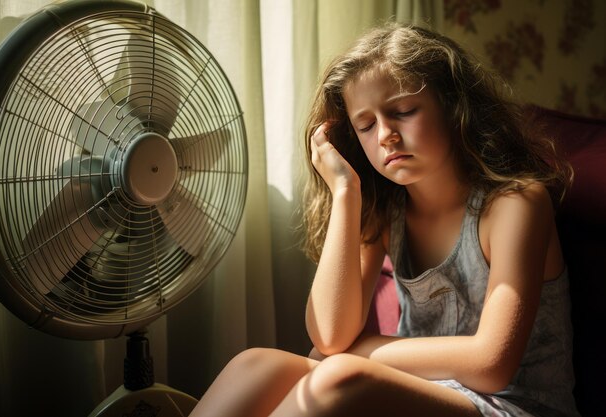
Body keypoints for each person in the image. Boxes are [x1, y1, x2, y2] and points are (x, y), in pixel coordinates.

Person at [189, 23, 580, 417]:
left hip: (516, 406)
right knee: (255, 365)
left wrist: (360, 351)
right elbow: (328, 335)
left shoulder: (517, 204)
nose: (386, 135)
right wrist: (345, 192)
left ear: (453, 106)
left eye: (404, 111)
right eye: (366, 125)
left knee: (339, 375)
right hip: (422, 392)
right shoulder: (386, 211)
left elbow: (491, 364)